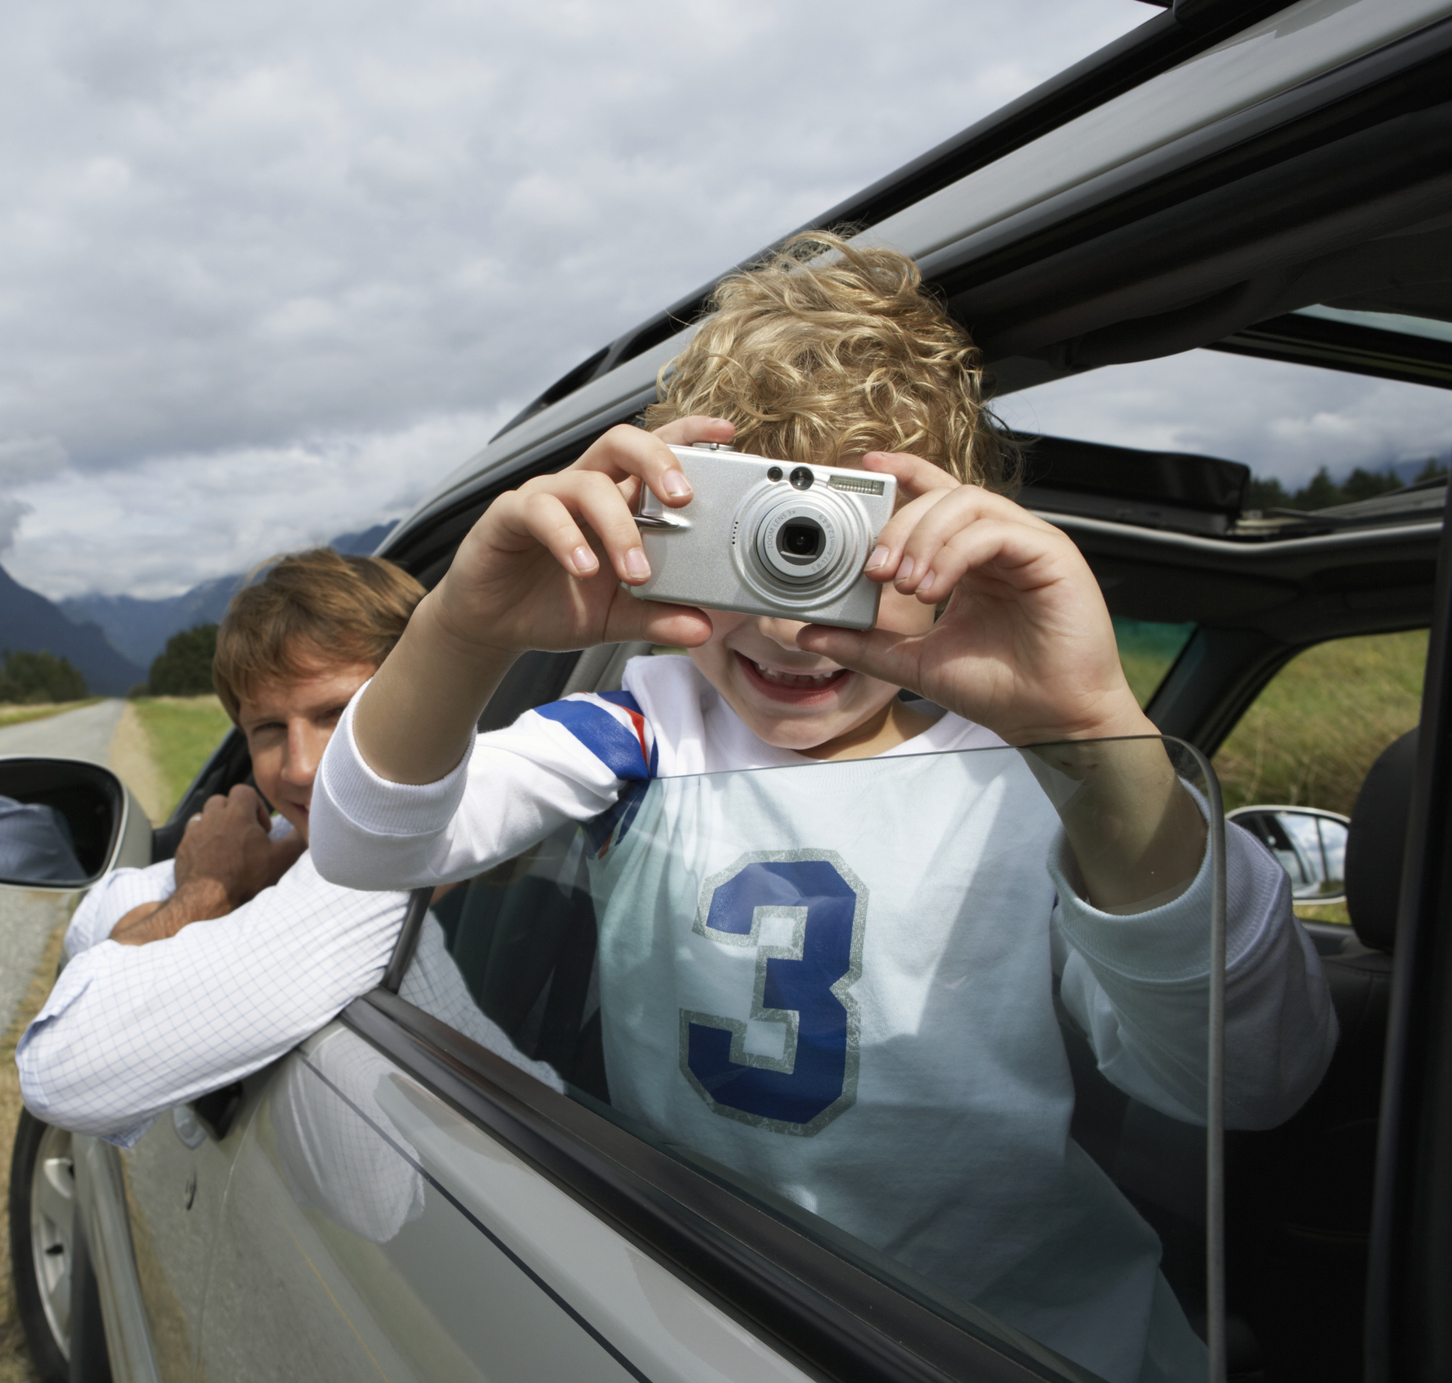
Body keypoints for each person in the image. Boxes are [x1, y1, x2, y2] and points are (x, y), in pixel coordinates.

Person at [309, 233, 1336, 1383]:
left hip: (1039, 1347)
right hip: (720, 1326)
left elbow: (1248, 1077)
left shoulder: (1043, 770)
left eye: (841, 550)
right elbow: (364, 845)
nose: (794, 626)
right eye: (755, 546)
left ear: (949, 538)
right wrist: (461, 627)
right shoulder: (645, 728)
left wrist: (1092, 723)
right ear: (667, 535)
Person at [14, 548, 552, 1148]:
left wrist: (205, 890)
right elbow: (93, 919)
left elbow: (62, 1066)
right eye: (268, 729)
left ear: (432, 702)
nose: (300, 768)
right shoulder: (287, 847)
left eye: (340, 714)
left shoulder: (376, 875)